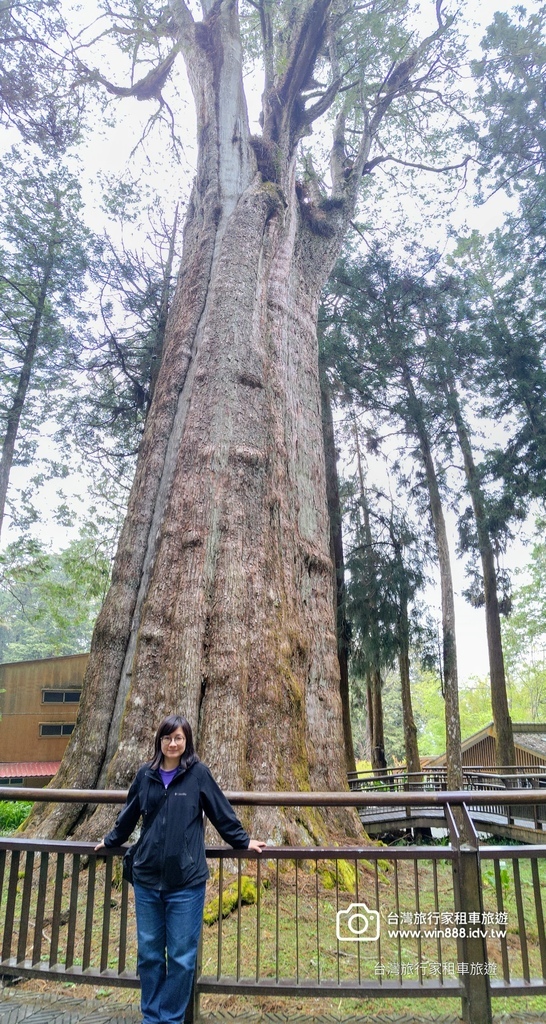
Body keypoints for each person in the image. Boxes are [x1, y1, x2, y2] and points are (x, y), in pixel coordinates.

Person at [95, 714, 266, 1024]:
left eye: (178, 738)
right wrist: (110, 840)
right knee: (148, 953)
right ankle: (151, 1017)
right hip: (147, 878)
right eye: (167, 738)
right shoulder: (145, 775)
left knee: (181, 957)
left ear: (187, 742)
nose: (172, 743)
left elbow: (220, 811)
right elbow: (130, 813)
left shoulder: (198, 774)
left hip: (186, 882)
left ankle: (171, 1018)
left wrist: (242, 841)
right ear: (159, 741)